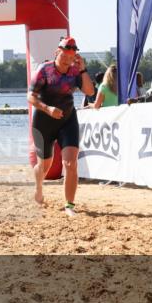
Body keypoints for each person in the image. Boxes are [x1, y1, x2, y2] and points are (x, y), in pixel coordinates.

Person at [28, 37, 95, 216]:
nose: (66, 60)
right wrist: (48, 109)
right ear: (57, 52)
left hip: (67, 120)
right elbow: (31, 97)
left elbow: (90, 92)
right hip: (44, 121)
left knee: (70, 163)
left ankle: (69, 205)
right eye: (63, 55)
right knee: (45, 165)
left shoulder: (75, 72)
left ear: (75, 57)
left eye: (70, 57)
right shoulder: (44, 70)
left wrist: (83, 70)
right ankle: (38, 187)